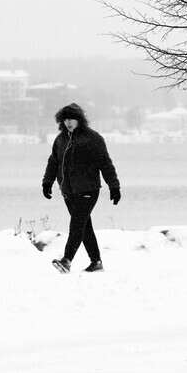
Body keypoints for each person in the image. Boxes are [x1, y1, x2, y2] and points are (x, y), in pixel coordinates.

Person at [41, 103, 122, 274]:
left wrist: (114, 186)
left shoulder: (93, 139)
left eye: (72, 119)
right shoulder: (61, 139)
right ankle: (96, 263)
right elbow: (54, 162)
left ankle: (67, 261)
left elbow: (105, 163)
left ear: (80, 120)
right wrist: (47, 182)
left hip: (88, 189)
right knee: (84, 227)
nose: (68, 122)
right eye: (65, 119)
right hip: (68, 190)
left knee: (76, 225)